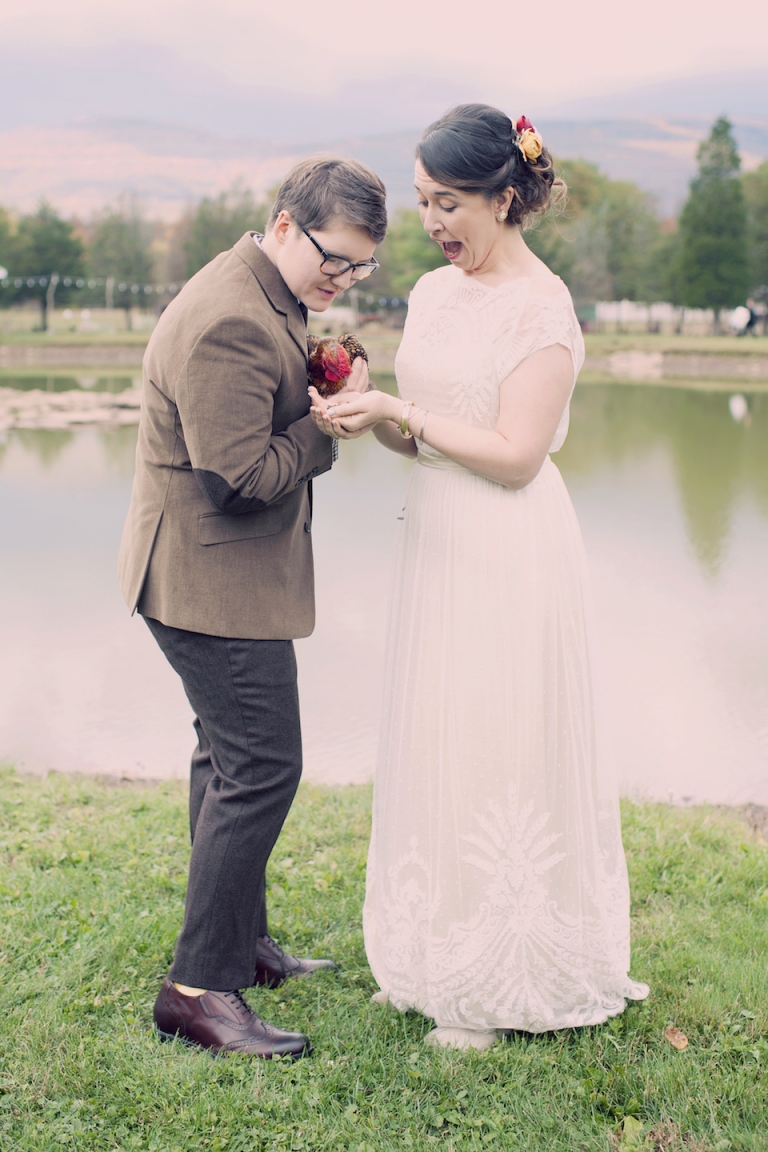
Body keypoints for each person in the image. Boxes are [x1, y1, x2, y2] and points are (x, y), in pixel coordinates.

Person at [311, 105, 649, 1050]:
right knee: (437, 732)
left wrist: (399, 407)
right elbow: (418, 441)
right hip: (439, 539)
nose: (434, 222)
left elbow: (514, 457)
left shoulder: (544, 311)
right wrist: (363, 409)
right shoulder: (428, 293)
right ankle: (429, 953)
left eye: (450, 202)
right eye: (423, 202)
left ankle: (506, 976)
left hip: (511, 546)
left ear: (506, 197)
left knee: (498, 737)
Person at [118, 155, 387, 1058]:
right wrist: (324, 430)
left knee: (225, 758)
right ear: (283, 225)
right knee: (263, 765)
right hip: (207, 578)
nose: (339, 280)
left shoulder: (264, 291)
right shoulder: (231, 317)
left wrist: (317, 390)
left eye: (357, 268)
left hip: (213, 572)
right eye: (333, 260)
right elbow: (237, 480)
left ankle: (241, 942)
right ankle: (199, 986)